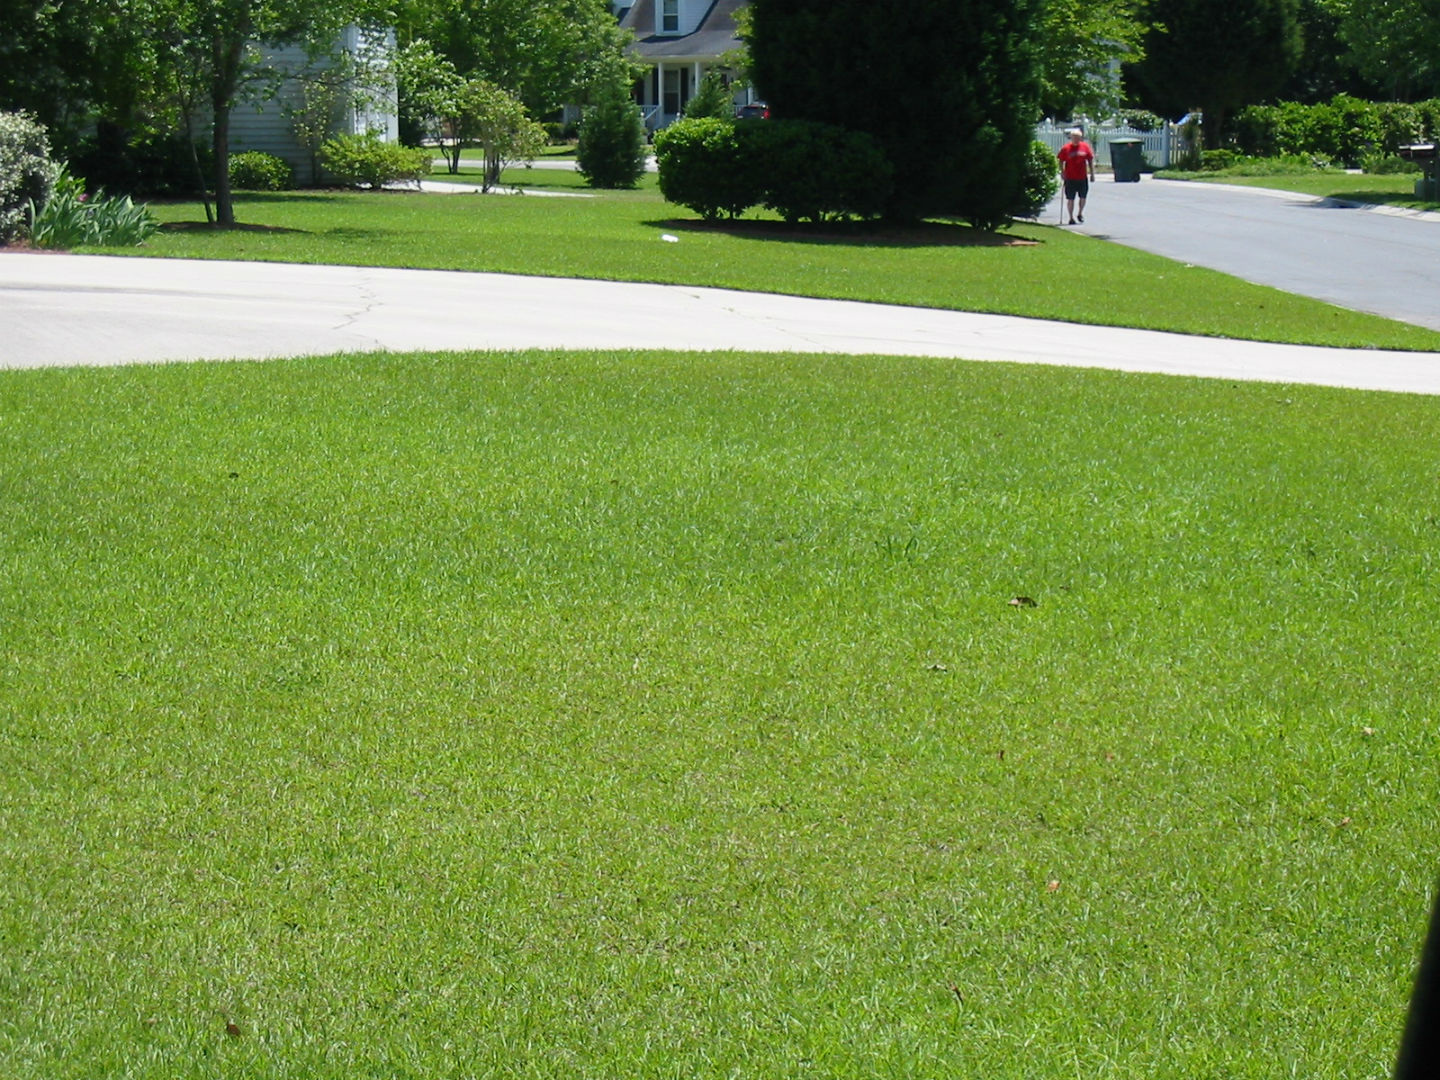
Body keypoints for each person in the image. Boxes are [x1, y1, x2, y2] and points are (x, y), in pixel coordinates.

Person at [1057, 127, 1096, 225]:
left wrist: (1092, 174)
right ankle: (1071, 217)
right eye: (1074, 137)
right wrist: (1062, 172)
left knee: (1083, 197)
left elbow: (1090, 160)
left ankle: (1080, 213)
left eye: (1078, 137)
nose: (1076, 139)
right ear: (1071, 137)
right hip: (1070, 177)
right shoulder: (1066, 148)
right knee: (1071, 198)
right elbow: (1061, 161)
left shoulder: (1085, 147)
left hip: (1082, 177)